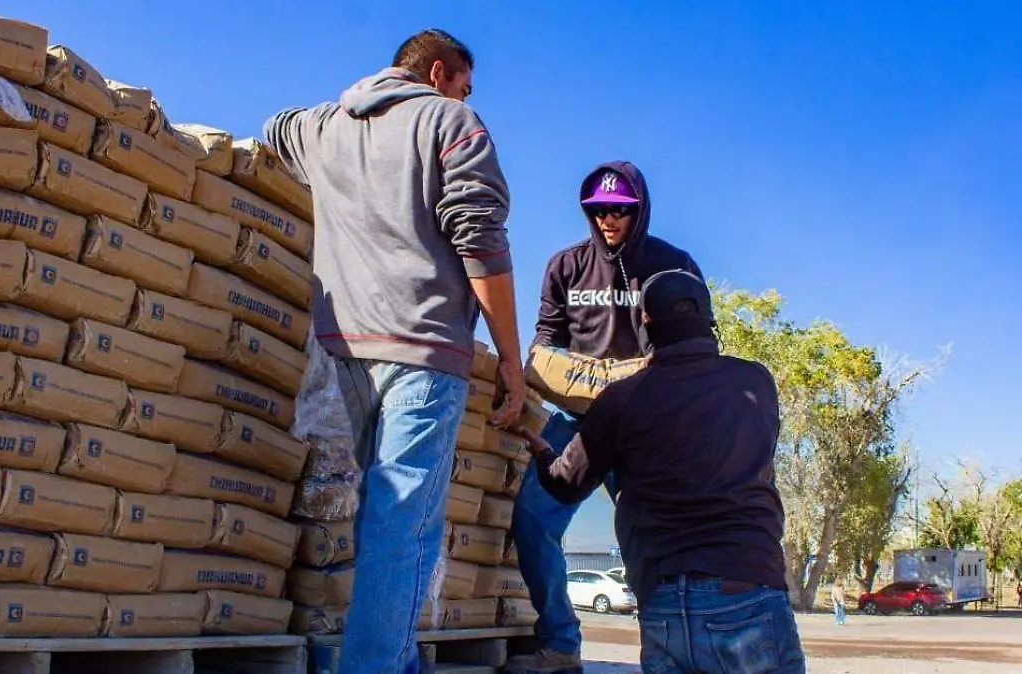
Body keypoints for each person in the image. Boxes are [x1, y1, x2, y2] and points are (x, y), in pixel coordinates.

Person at [262, 29, 526, 674]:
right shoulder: (450, 120)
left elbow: (273, 127)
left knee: (392, 518)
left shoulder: (322, 126)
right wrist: (511, 363)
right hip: (424, 346)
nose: (469, 97)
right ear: (439, 73)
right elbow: (481, 238)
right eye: (465, 84)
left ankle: (393, 660)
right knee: (400, 523)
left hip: (343, 349)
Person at [522, 269, 806, 674]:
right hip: (746, 589)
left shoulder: (619, 401)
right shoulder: (755, 381)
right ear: (708, 319)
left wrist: (543, 453)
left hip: (663, 604)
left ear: (646, 326)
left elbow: (565, 485)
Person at [507, 162, 702, 674]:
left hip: (645, 427)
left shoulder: (672, 265)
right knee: (531, 520)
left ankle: (668, 653)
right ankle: (560, 642)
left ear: (639, 210)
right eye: (598, 211)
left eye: (620, 210)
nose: (609, 219)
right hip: (579, 423)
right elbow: (546, 343)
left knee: (651, 538)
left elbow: (700, 341)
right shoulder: (565, 266)